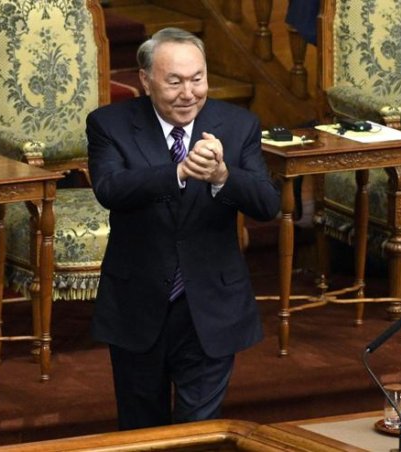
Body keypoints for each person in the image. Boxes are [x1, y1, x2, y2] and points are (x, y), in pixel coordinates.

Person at [86, 27, 280, 430]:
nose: (188, 93)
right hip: (137, 303)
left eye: (198, 79)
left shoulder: (238, 124)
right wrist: (177, 171)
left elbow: (267, 204)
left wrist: (223, 175)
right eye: (174, 81)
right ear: (145, 79)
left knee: (198, 431)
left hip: (210, 304)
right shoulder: (110, 124)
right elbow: (110, 188)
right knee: (142, 431)